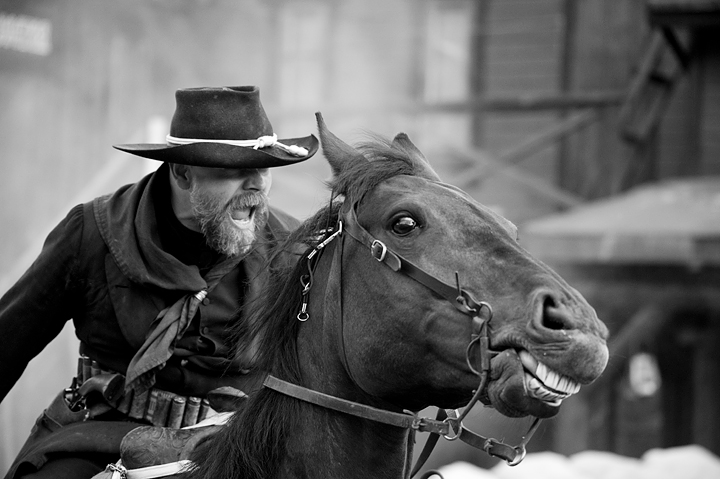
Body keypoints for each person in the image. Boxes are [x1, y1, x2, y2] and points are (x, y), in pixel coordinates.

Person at [0, 86, 318, 479]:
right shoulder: (92, 233)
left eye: (263, 170)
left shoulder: (292, 249)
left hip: (234, 446)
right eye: (235, 170)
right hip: (101, 434)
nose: (255, 186)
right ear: (183, 173)